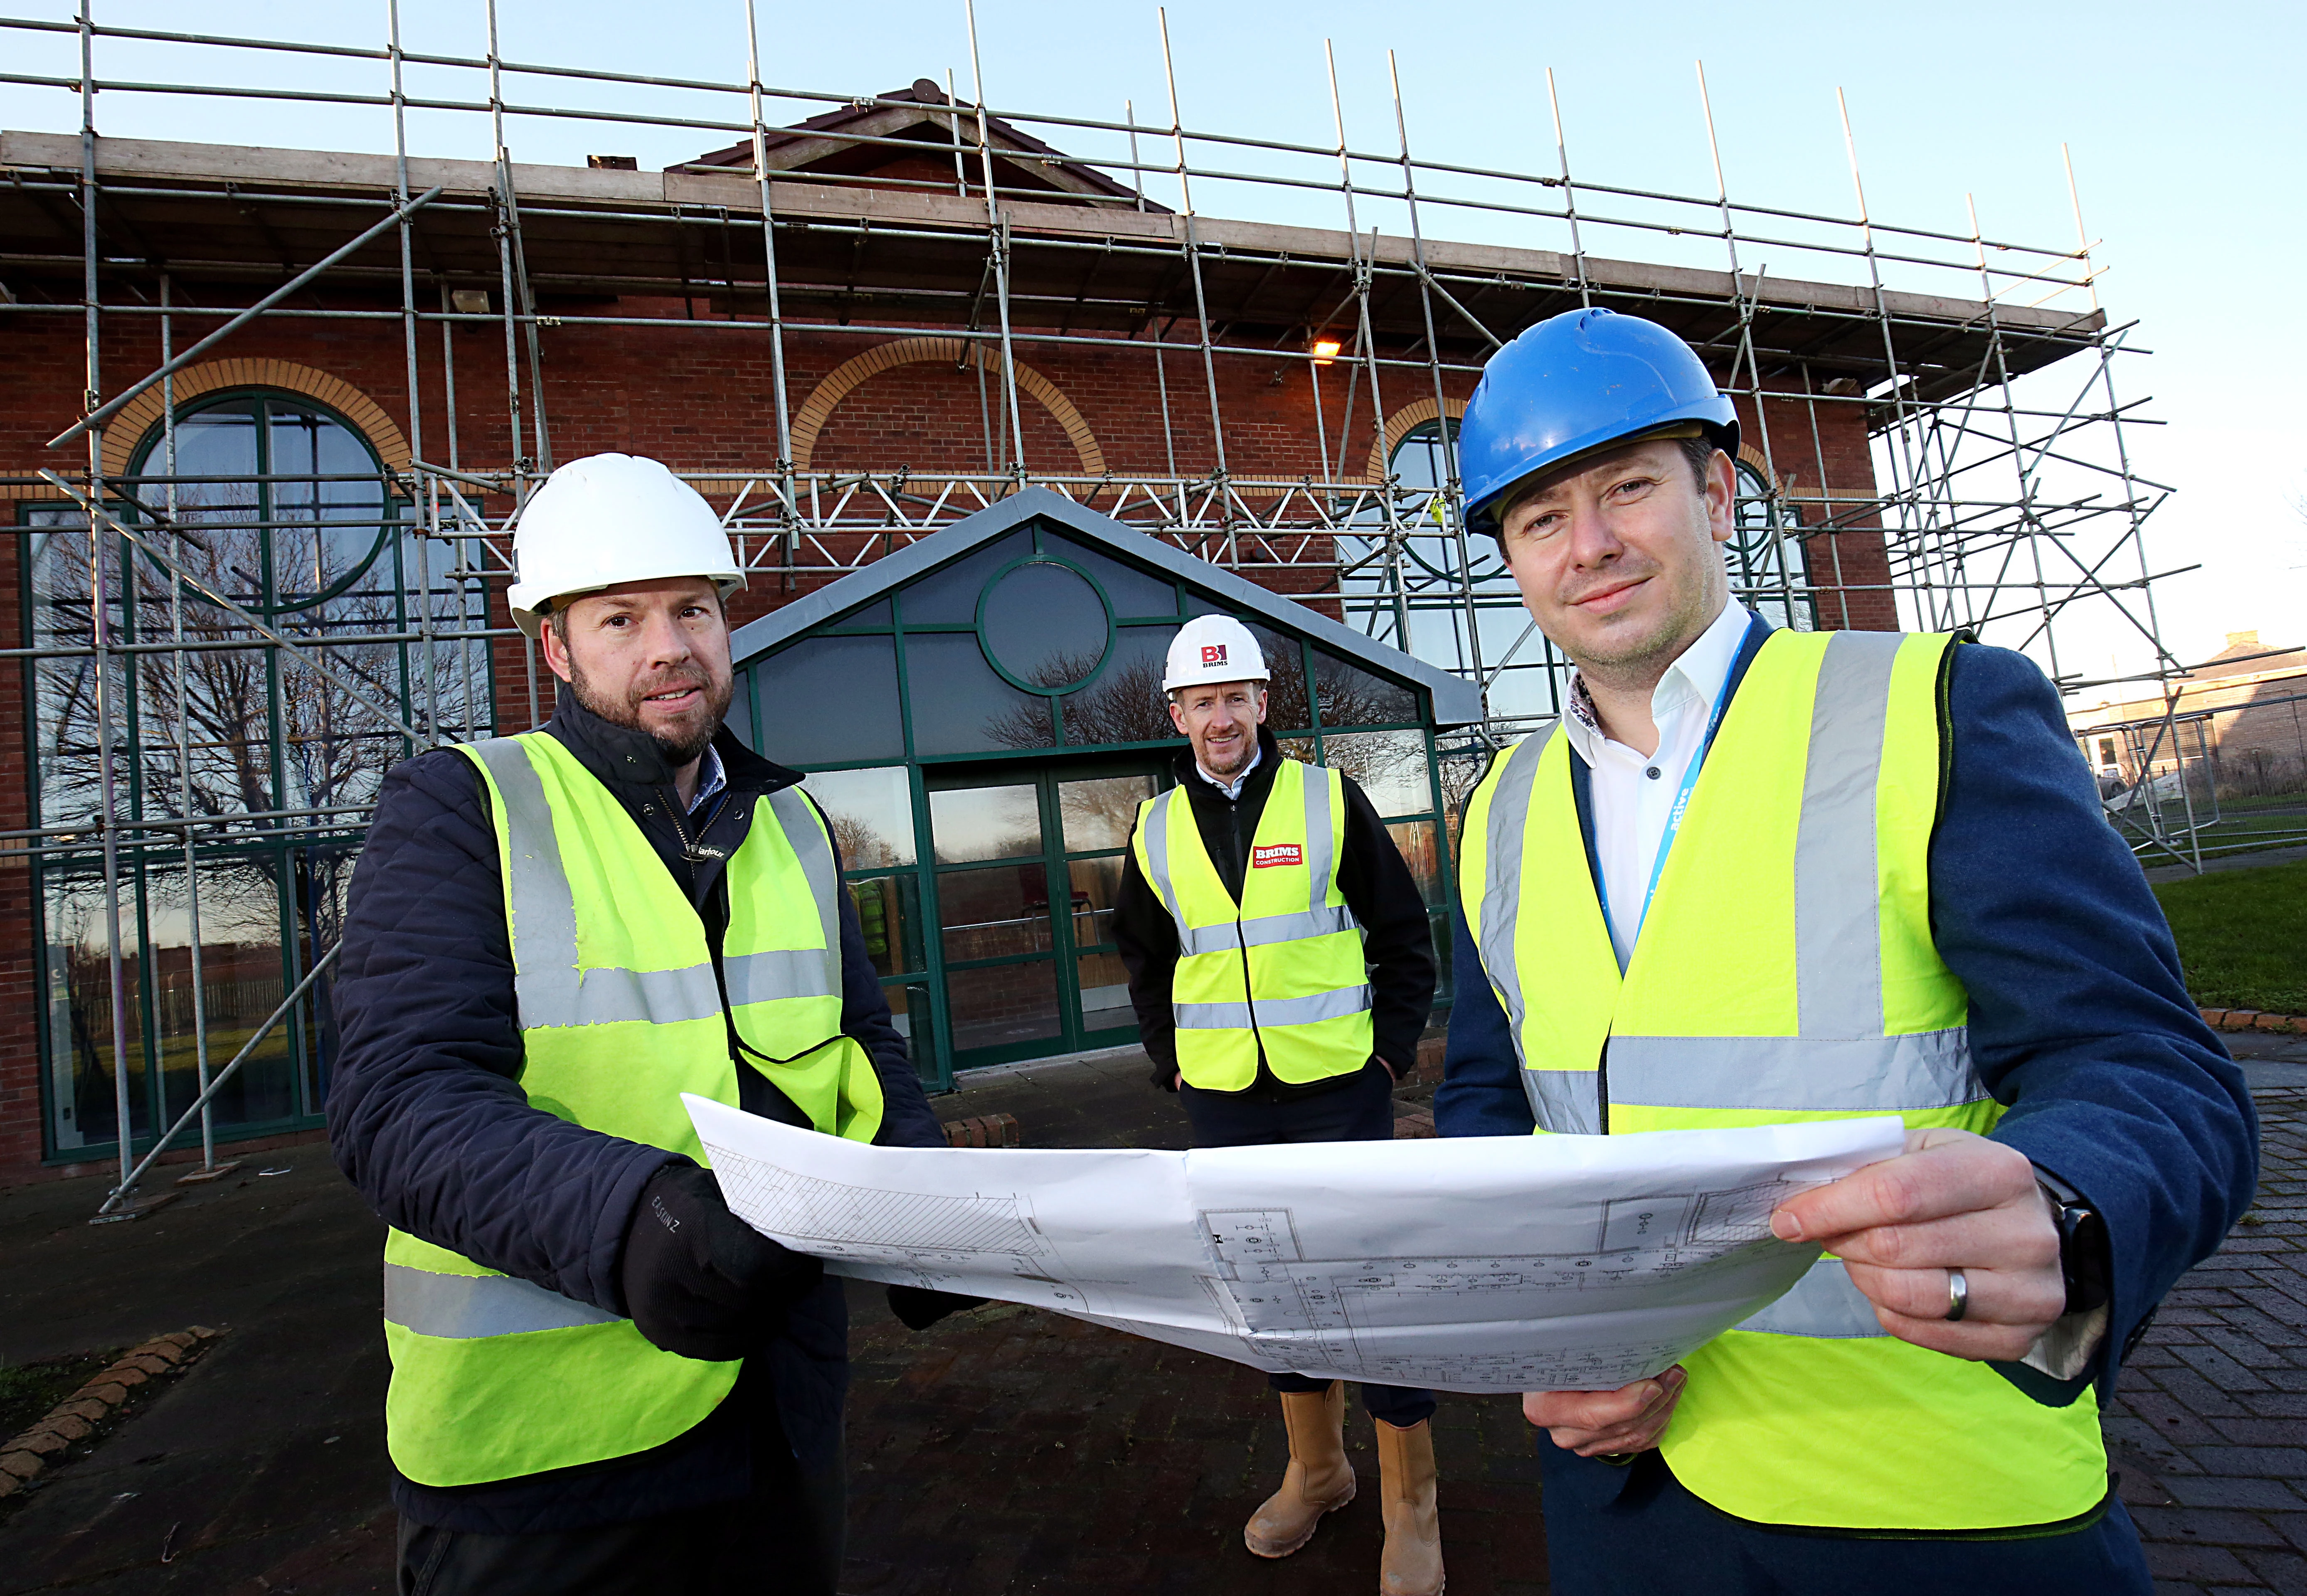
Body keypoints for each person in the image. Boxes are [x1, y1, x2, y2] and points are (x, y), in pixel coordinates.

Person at [1434, 308, 2257, 1593]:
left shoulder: (1934, 710)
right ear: (1510, 557)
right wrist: (1532, 1337)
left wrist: (2066, 1208)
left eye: (1625, 488)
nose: (1586, 543)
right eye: (1539, 517)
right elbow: (1490, 1111)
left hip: (1934, 1504)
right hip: (1622, 1493)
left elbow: (2145, 1066)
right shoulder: (1498, 809)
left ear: (1714, 492)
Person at [328, 454, 964, 1596]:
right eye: (621, 618)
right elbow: (398, 1102)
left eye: (693, 609)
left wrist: (923, 1198)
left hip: (777, 1411)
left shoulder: (792, 822)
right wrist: (633, 1220)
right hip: (543, 1467)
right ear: (556, 650)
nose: (669, 645)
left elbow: (860, 1045)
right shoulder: (461, 807)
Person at [1111, 615, 1443, 1595]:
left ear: (1265, 703)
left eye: (1236, 697)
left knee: (1371, 1290)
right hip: (1224, 1101)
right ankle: (1320, 1471)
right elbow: (1146, 957)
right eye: (1201, 701)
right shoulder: (1156, 826)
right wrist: (1171, 1062)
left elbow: (1402, 934)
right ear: (1179, 713)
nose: (1221, 718)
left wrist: (1386, 1056)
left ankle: (1410, 1503)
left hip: (1339, 1088)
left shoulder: (1331, 800)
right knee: (1273, 1294)